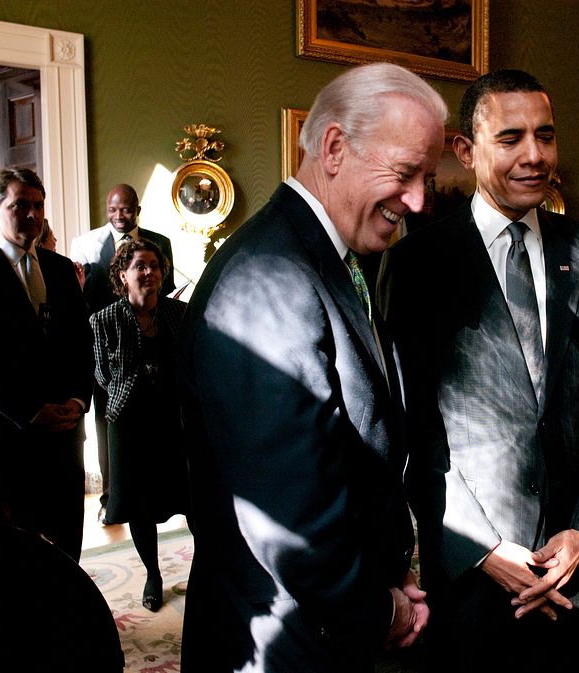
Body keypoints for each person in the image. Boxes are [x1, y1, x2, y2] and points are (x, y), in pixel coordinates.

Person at [177, 62, 447, 672]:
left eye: (426, 178)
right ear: (332, 148)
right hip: (282, 640)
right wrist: (382, 612)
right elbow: (290, 520)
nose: (418, 200)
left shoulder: (332, 256)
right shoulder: (269, 278)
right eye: (405, 174)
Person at [379, 69, 579, 673]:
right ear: (465, 152)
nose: (534, 156)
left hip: (572, 565)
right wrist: (481, 548)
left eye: (545, 137)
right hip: (476, 573)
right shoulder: (418, 264)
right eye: (511, 138)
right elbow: (411, 425)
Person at [0, 167, 94, 561]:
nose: (33, 215)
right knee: (14, 548)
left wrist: (78, 401)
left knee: (66, 538)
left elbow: (81, 344)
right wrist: (32, 412)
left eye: (38, 205)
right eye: (20, 206)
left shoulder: (61, 270)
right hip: (6, 434)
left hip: (65, 432)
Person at [90, 239, 189, 612]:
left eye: (155, 266)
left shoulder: (179, 313)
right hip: (130, 423)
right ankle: (153, 574)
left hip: (174, 419)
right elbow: (102, 376)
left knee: (191, 498)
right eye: (140, 267)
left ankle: (205, 571)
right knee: (141, 505)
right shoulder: (104, 320)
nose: (149, 273)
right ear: (122, 275)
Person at [70, 184, 176, 525]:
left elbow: (167, 292)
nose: (119, 216)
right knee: (107, 431)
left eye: (126, 210)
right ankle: (111, 496)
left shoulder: (160, 242)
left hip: (154, 340)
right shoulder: (85, 244)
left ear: (137, 210)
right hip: (109, 346)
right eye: (113, 209)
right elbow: (82, 300)